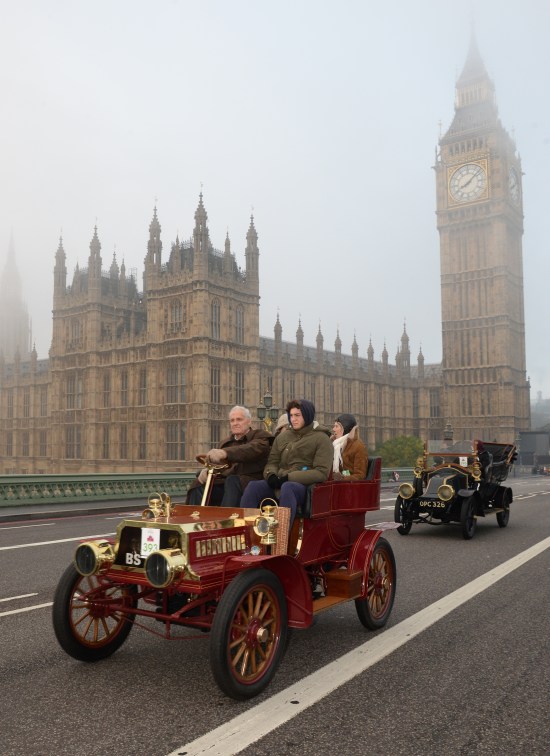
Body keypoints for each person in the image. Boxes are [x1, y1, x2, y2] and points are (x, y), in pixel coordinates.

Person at [240, 399, 333, 524]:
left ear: (308, 415)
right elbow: (272, 462)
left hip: (303, 487)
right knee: (253, 487)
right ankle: (246, 532)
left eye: (297, 415)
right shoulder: (283, 437)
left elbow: (321, 472)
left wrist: (288, 477)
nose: (293, 419)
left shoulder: (322, 439)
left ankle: (280, 540)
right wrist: (271, 475)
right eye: (291, 415)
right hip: (279, 482)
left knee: (288, 487)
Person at [187, 406, 272, 506]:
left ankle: (226, 518)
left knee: (232, 480)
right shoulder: (225, 443)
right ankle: (194, 516)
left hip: (250, 483)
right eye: (232, 421)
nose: (235, 423)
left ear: (249, 421)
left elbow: (250, 449)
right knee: (198, 484)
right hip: (225, 483)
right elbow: (216, 465)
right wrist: (207, 471)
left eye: (239, 419)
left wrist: (225, 453)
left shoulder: (260, 436)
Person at [330, 413, 368, 480]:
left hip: (349, 487)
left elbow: (360, 475)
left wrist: (342, 479)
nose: (333, 429)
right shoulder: (335, 445)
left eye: (336, 426)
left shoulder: (358, 446)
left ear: (345, 429)